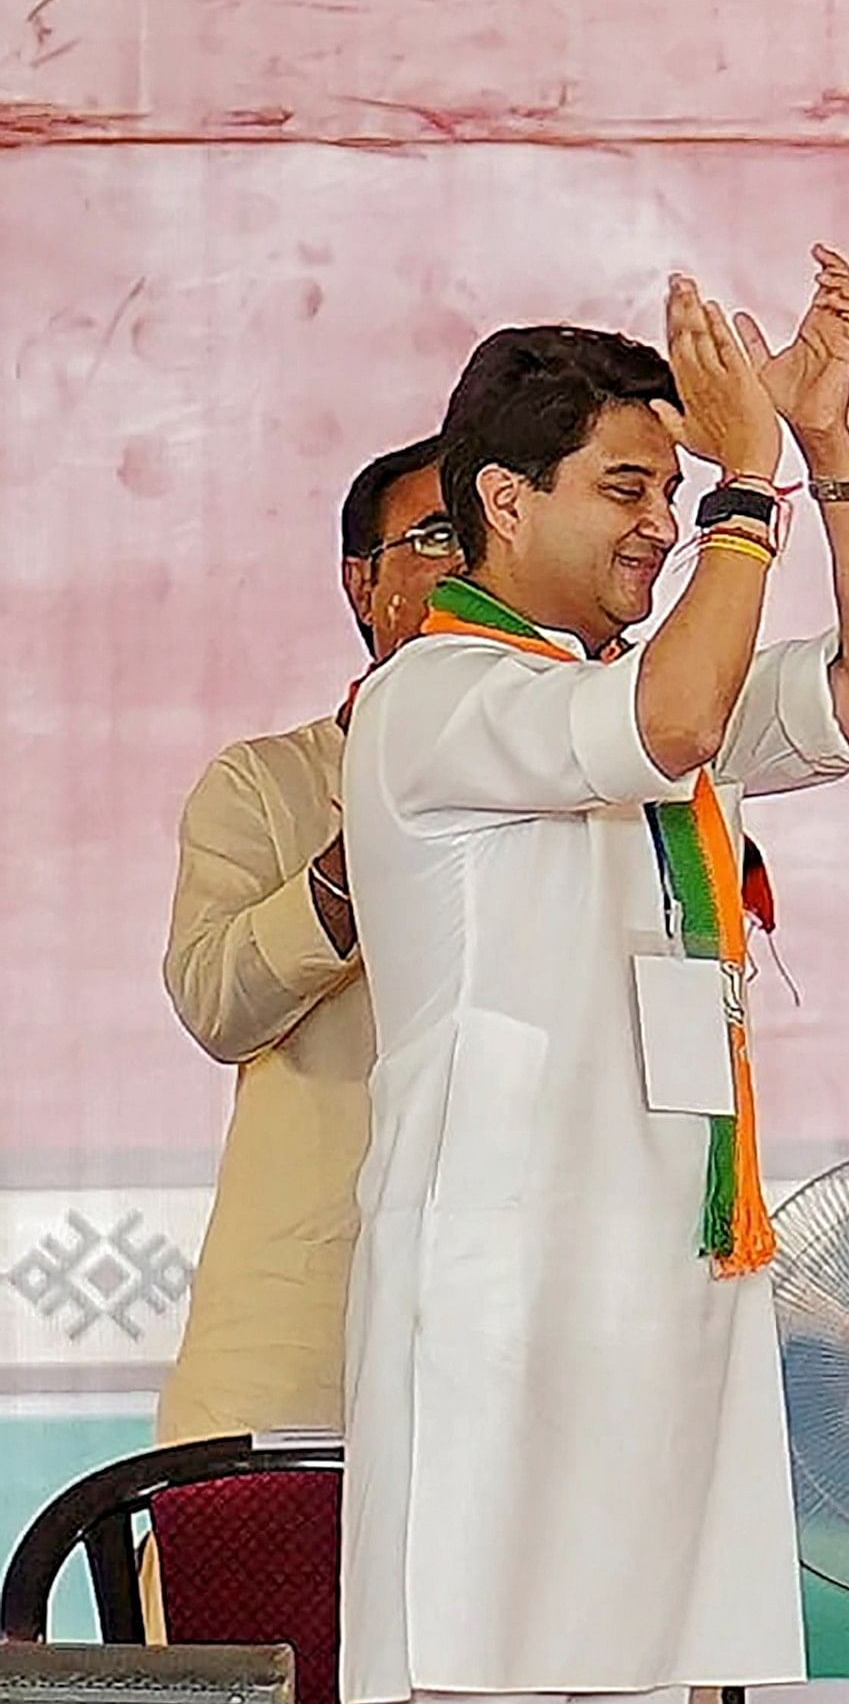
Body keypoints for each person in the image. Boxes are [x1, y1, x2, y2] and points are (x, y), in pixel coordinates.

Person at [338, 250, 849, 1704]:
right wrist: (746, 493)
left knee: (654, 1677)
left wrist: (825, 454)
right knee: (485, 1669)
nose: (663, 527)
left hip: (661, 1286)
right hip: (508, 1290)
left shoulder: (639, 686)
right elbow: (668, 723)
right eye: (629, 489)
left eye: (673, 495)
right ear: (503, 498)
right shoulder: (436, 694)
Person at [157, 439, 460, 1444]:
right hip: (307, 1334)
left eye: (492, 540)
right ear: (362, 582)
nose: (469, 568)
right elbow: (217, 1002)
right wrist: (376, 817)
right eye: (435, 537)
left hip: (520, 1331)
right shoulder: (265, 786)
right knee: (256, 1602)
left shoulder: (591, 778)